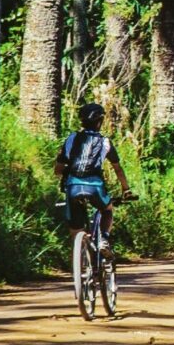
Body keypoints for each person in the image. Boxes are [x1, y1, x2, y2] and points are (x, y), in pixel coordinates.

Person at [57, 99, 133, 261]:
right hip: (95, 186)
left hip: (73, 187)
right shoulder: (105, 142)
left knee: (75, 230)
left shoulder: (71, 138)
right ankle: (104, 239)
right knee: (107, 209)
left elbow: (58, 168)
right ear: (100, 122)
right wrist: (126, 189)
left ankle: (79, 263)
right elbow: (118, 169)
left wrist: (65, 173)